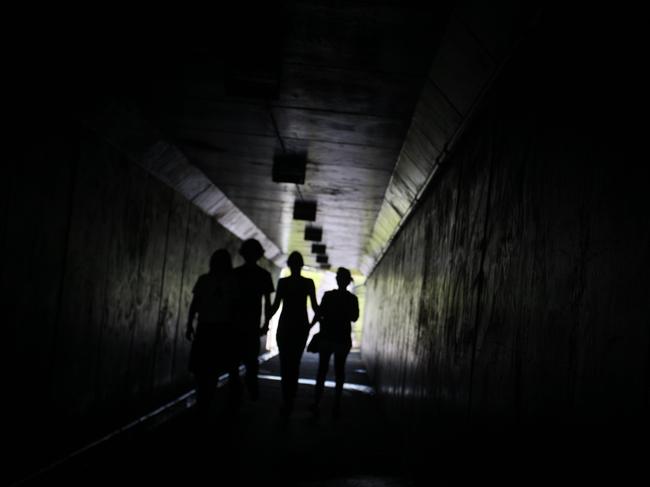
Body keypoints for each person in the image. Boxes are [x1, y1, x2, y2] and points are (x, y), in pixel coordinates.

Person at [185, 249, 236, 420]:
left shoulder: (204, 280)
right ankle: (206, 401)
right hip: (220, 330)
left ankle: (202, 400)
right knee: (212, 369)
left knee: (201, 368)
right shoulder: (232, 282)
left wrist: (189, 324)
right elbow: (235, 309)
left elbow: (195, 304)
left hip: (205, 328)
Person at [269, 251, 319, 416]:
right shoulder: (308, 283)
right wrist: (312, 325)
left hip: (285, 325)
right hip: (300, 326)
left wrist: (263, 321)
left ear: (289, 265)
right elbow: (315, 307)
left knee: (285, 361)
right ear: (301, 265)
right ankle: (291, 393)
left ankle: (286, 396)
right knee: (295, 361)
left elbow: (276, 306)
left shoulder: (283, 283)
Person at [310, 267, 359, 418]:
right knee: (340, 371)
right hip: (342, 339)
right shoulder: (352, 299)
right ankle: (336, 404)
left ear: (338, 280)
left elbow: (319, 314)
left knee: (322, 370)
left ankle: (317, 401)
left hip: (327, 337)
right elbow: (354, 317)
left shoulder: (328, 296)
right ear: (348, 281)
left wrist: (309, 327)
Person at [232, 238, 274, 402]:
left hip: (236, 325)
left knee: (234, 362)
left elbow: (230, 301)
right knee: (251, 362)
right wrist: (266, 325)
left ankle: (236, 393)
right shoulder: (264, 275)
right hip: (252, 326)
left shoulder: (235, 274)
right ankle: (252, 392)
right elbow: (268, 304)